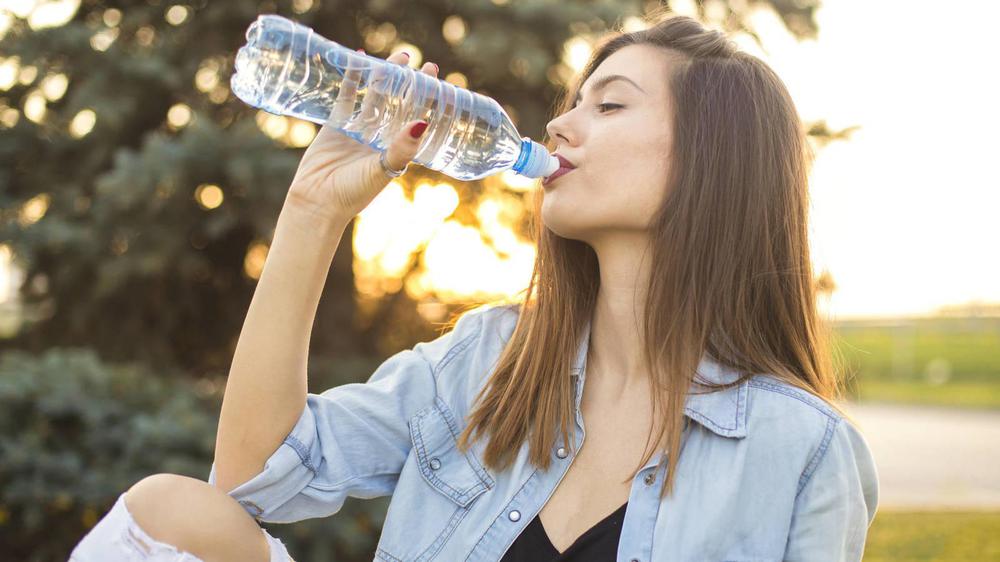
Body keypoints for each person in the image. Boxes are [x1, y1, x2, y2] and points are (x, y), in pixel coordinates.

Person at [70, 9, 878, 562]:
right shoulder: (490, 360)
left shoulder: (802, 454)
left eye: (611, 104)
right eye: (572, 103)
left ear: (712, 159)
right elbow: (255, 477)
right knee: (167, 509)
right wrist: (313, 213)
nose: (562, 125)